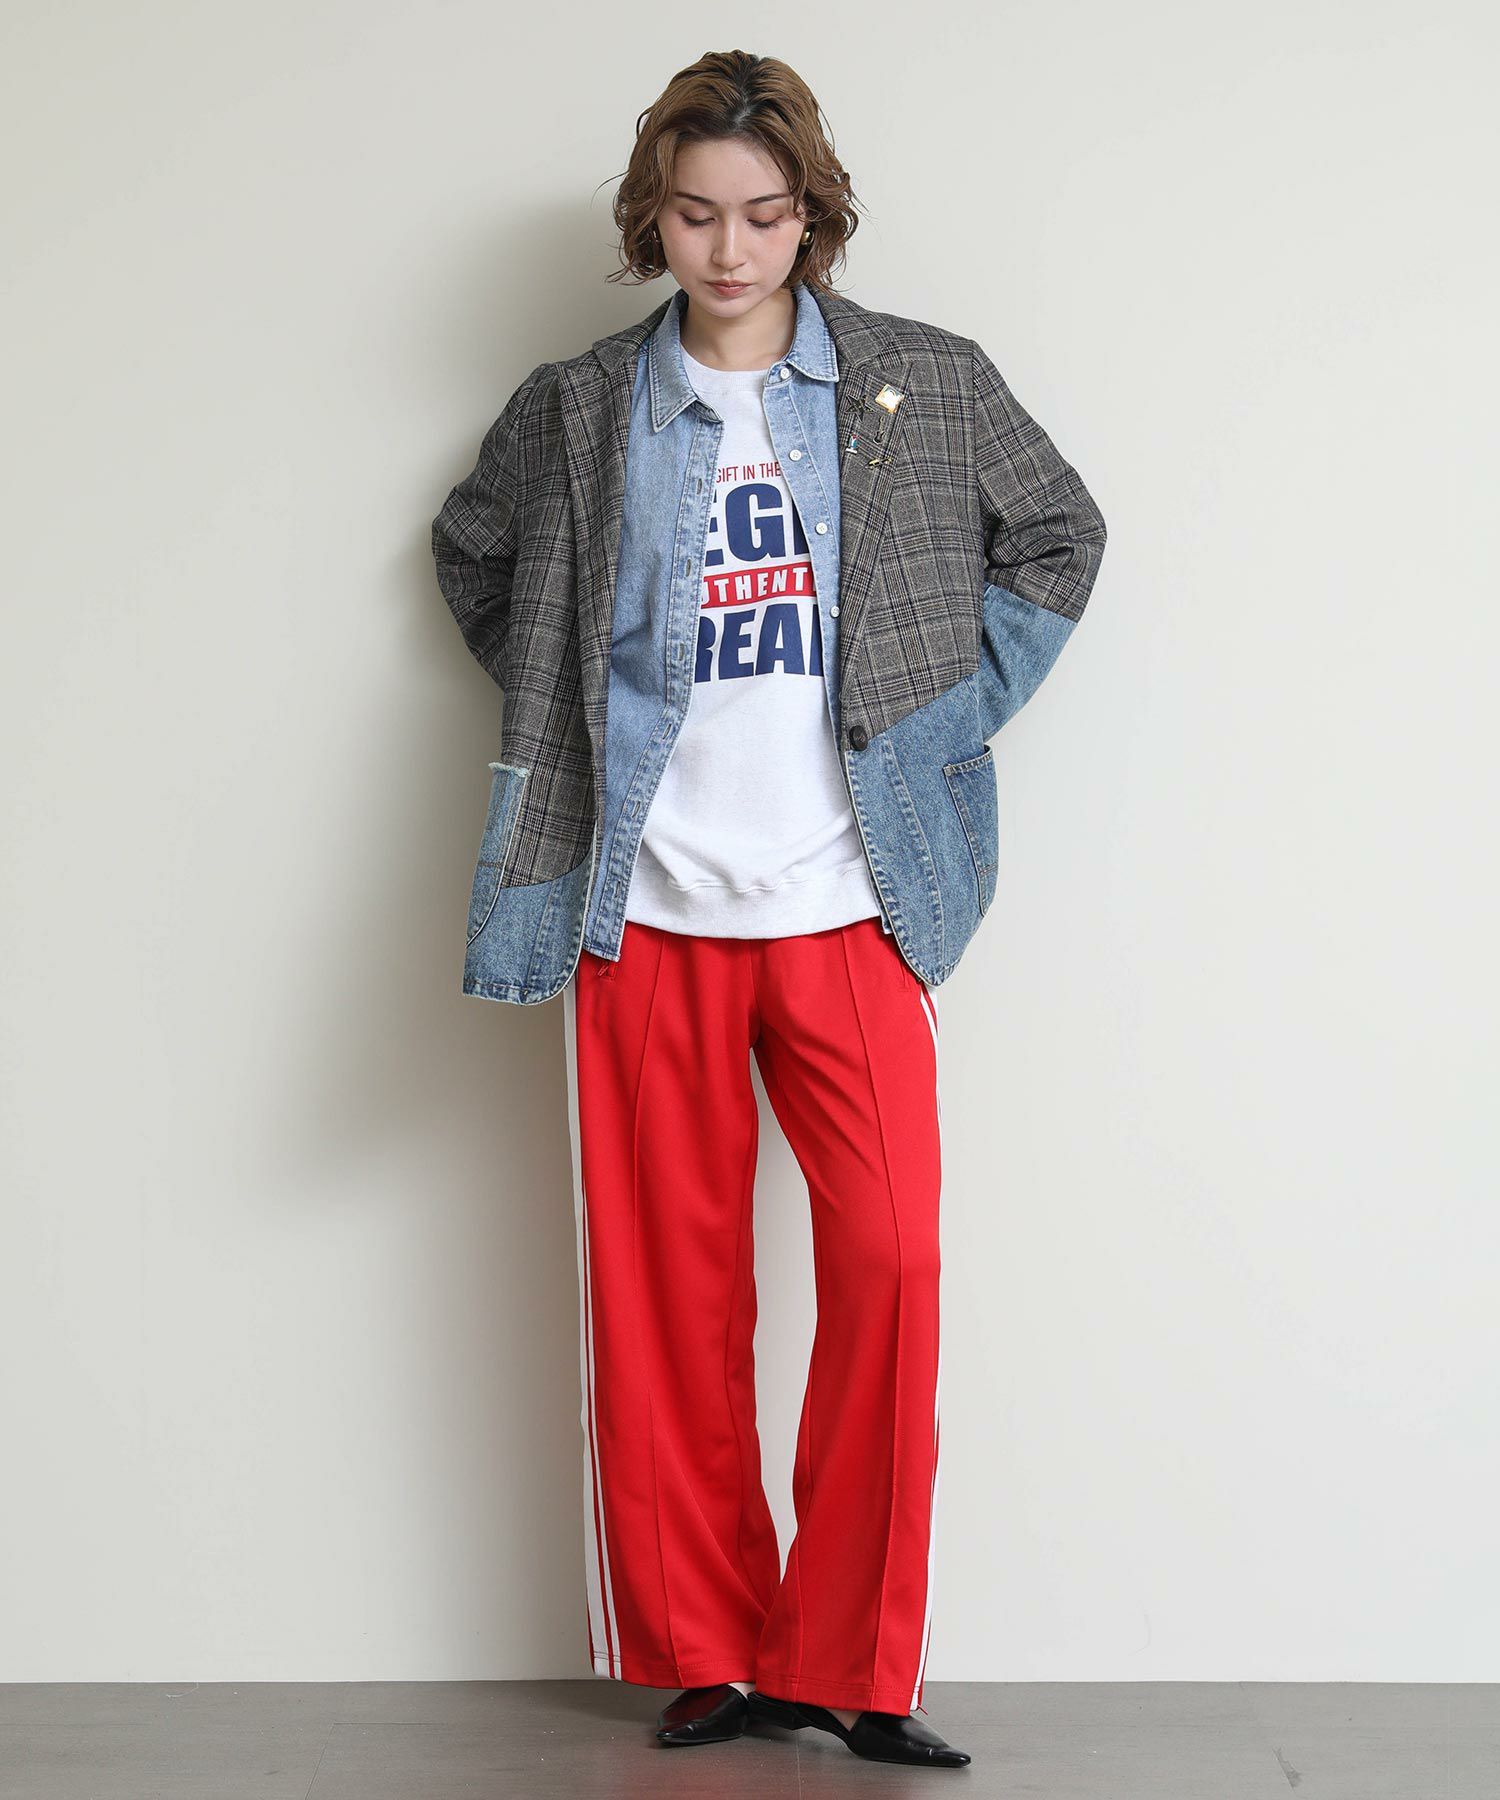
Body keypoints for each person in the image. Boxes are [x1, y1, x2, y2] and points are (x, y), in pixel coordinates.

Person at [431, 49, 1107, 1773]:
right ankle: (715, 1649)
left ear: (814, 216)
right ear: (649, 219)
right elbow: (475, 551)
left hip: (850, 900)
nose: (730, 251)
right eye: (694, 215)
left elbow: (1057, 534)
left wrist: (939, 717)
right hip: (648, 908)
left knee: (892, 1263)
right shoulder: (580, 407)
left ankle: (855, 1662)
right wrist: (569, 701)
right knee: (668, 1294)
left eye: (765, 214)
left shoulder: (925, 383)